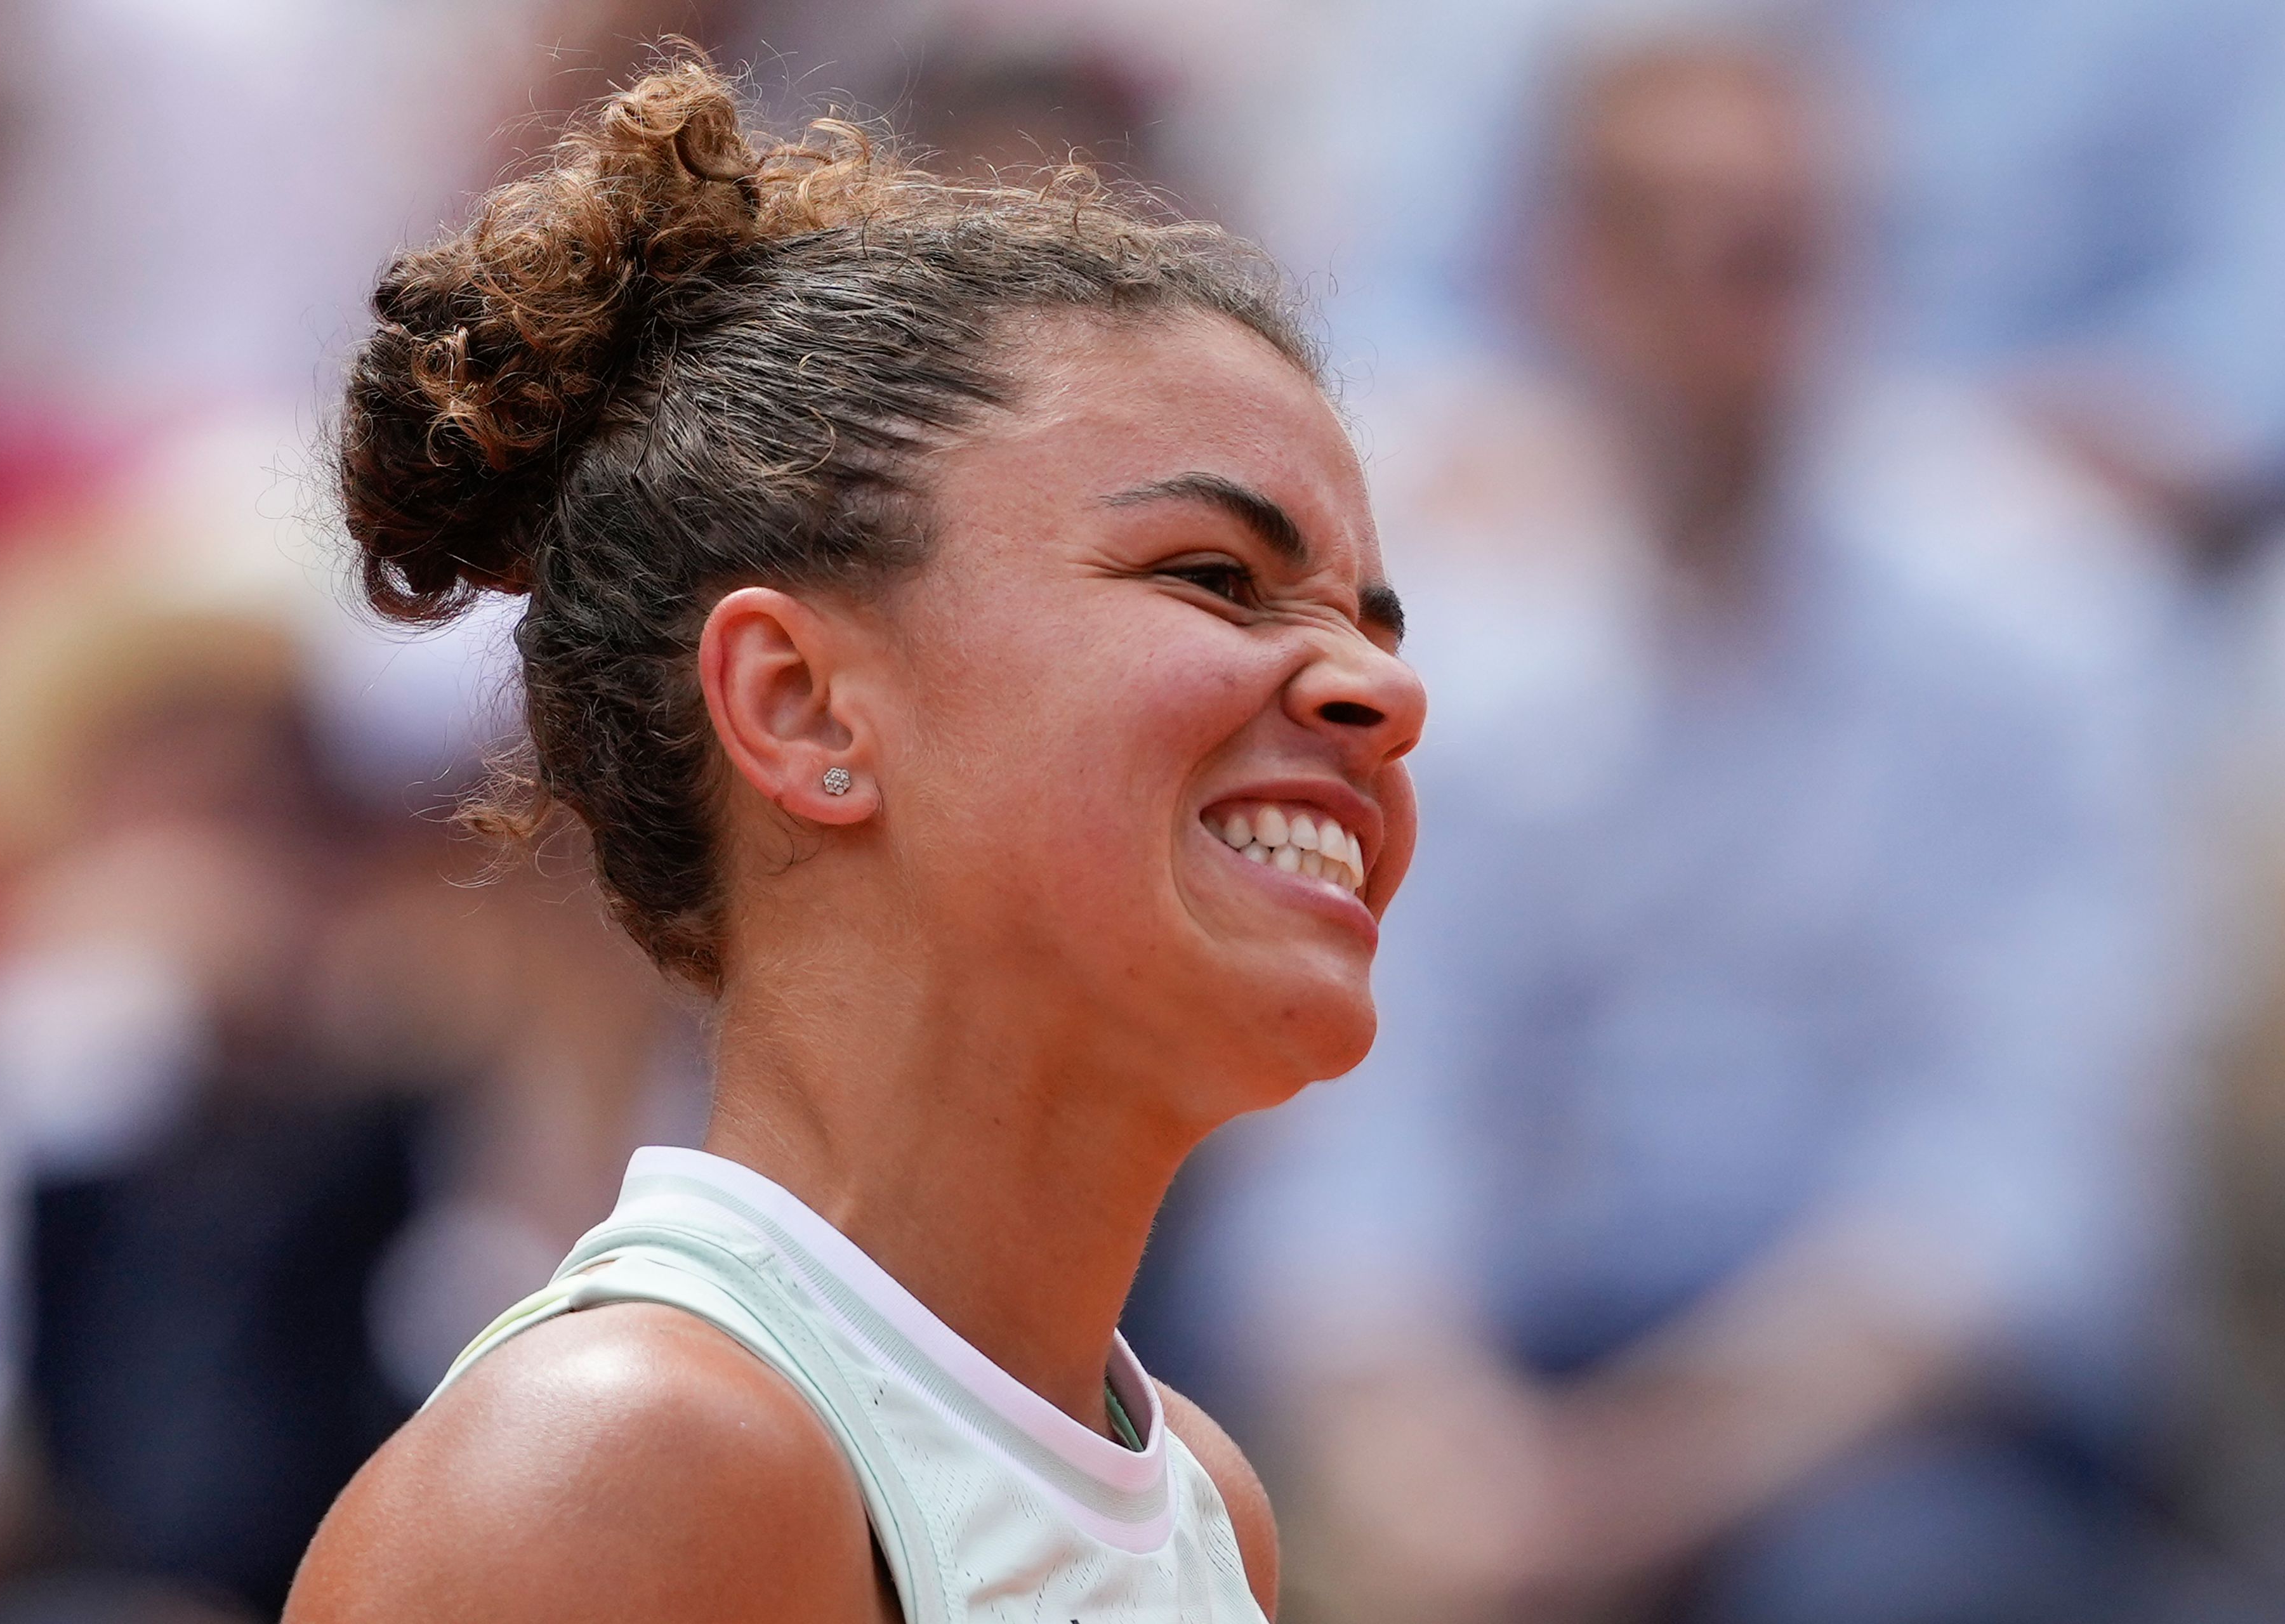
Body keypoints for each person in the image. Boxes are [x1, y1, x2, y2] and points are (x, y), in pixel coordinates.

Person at [283, 51, 1421, 1624]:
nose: (1382, 688)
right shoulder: (623, 1470)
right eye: (1217, 577)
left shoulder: (1209, 1501)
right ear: (804, 707)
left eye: (1374, 620)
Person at [1180, 30, 2196, 1624]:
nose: (1736, 311)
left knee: (1896, 1578)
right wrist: (1425, 1449)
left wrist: (1641, 1483)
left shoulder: (2037, 618)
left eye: (1778, 245)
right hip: (1515, 1370)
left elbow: (2015, 1202)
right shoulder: (1440, 635)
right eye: (1673, 237)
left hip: (1900, 1430)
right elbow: (1358, 1137)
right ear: (1555, 262)